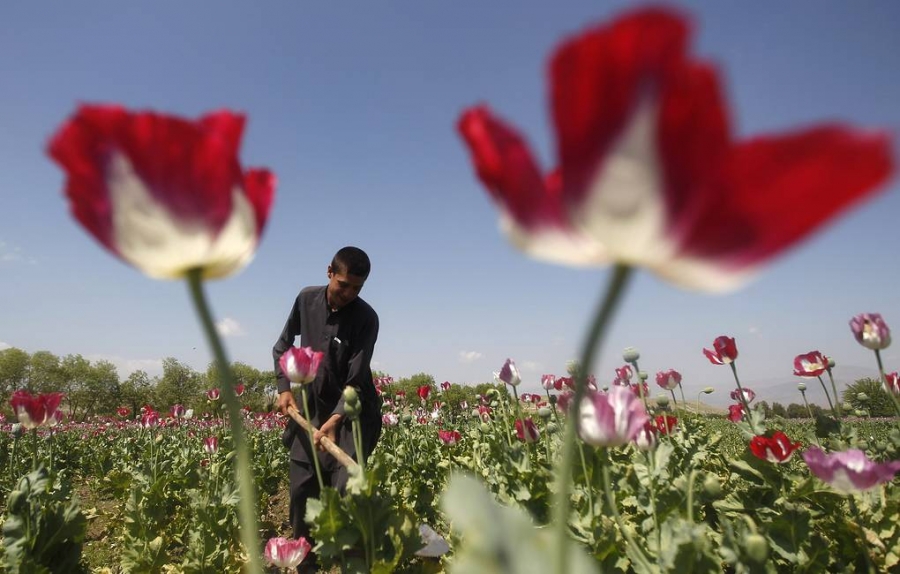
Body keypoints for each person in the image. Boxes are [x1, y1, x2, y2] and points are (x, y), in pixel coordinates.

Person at [272, 246, 382, 572]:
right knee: (301, 491)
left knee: (343, 496)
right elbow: (281, 346)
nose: (348, 293)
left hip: (352, 415)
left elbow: (356, 380)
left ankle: (348, 563)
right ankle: (305, 564)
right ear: (329, 272)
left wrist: (336, 418)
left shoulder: (366, 319)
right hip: (309, 410)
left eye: (357, 288)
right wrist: (284, 389)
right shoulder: (306, 300)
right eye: (343, 284)